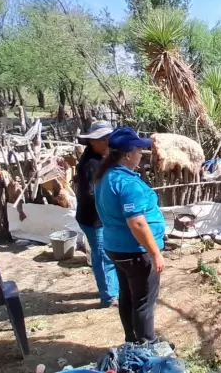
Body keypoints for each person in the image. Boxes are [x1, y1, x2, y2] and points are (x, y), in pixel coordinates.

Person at [93, 127, 166, 344]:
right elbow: (137, 223)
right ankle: (147, 346)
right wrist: (155, 253)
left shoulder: (106, 176)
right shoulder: (127, 183)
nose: (141, 154)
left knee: (127, 295)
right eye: (138, 150)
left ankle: (132, 340)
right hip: (135, 251)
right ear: (127, 154)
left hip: (116, 247)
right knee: (143, 301)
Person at [76, 120, 119, 308]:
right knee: (103, 256)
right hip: (94, 219)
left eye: (108, 138)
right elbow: (90, 194)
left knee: (106, 255)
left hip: (101, 218)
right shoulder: (91, 164)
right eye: (102, 139)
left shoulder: (101, 158)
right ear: (92, 141)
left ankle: (111, 288)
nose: (106, 142)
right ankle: (109, 296)